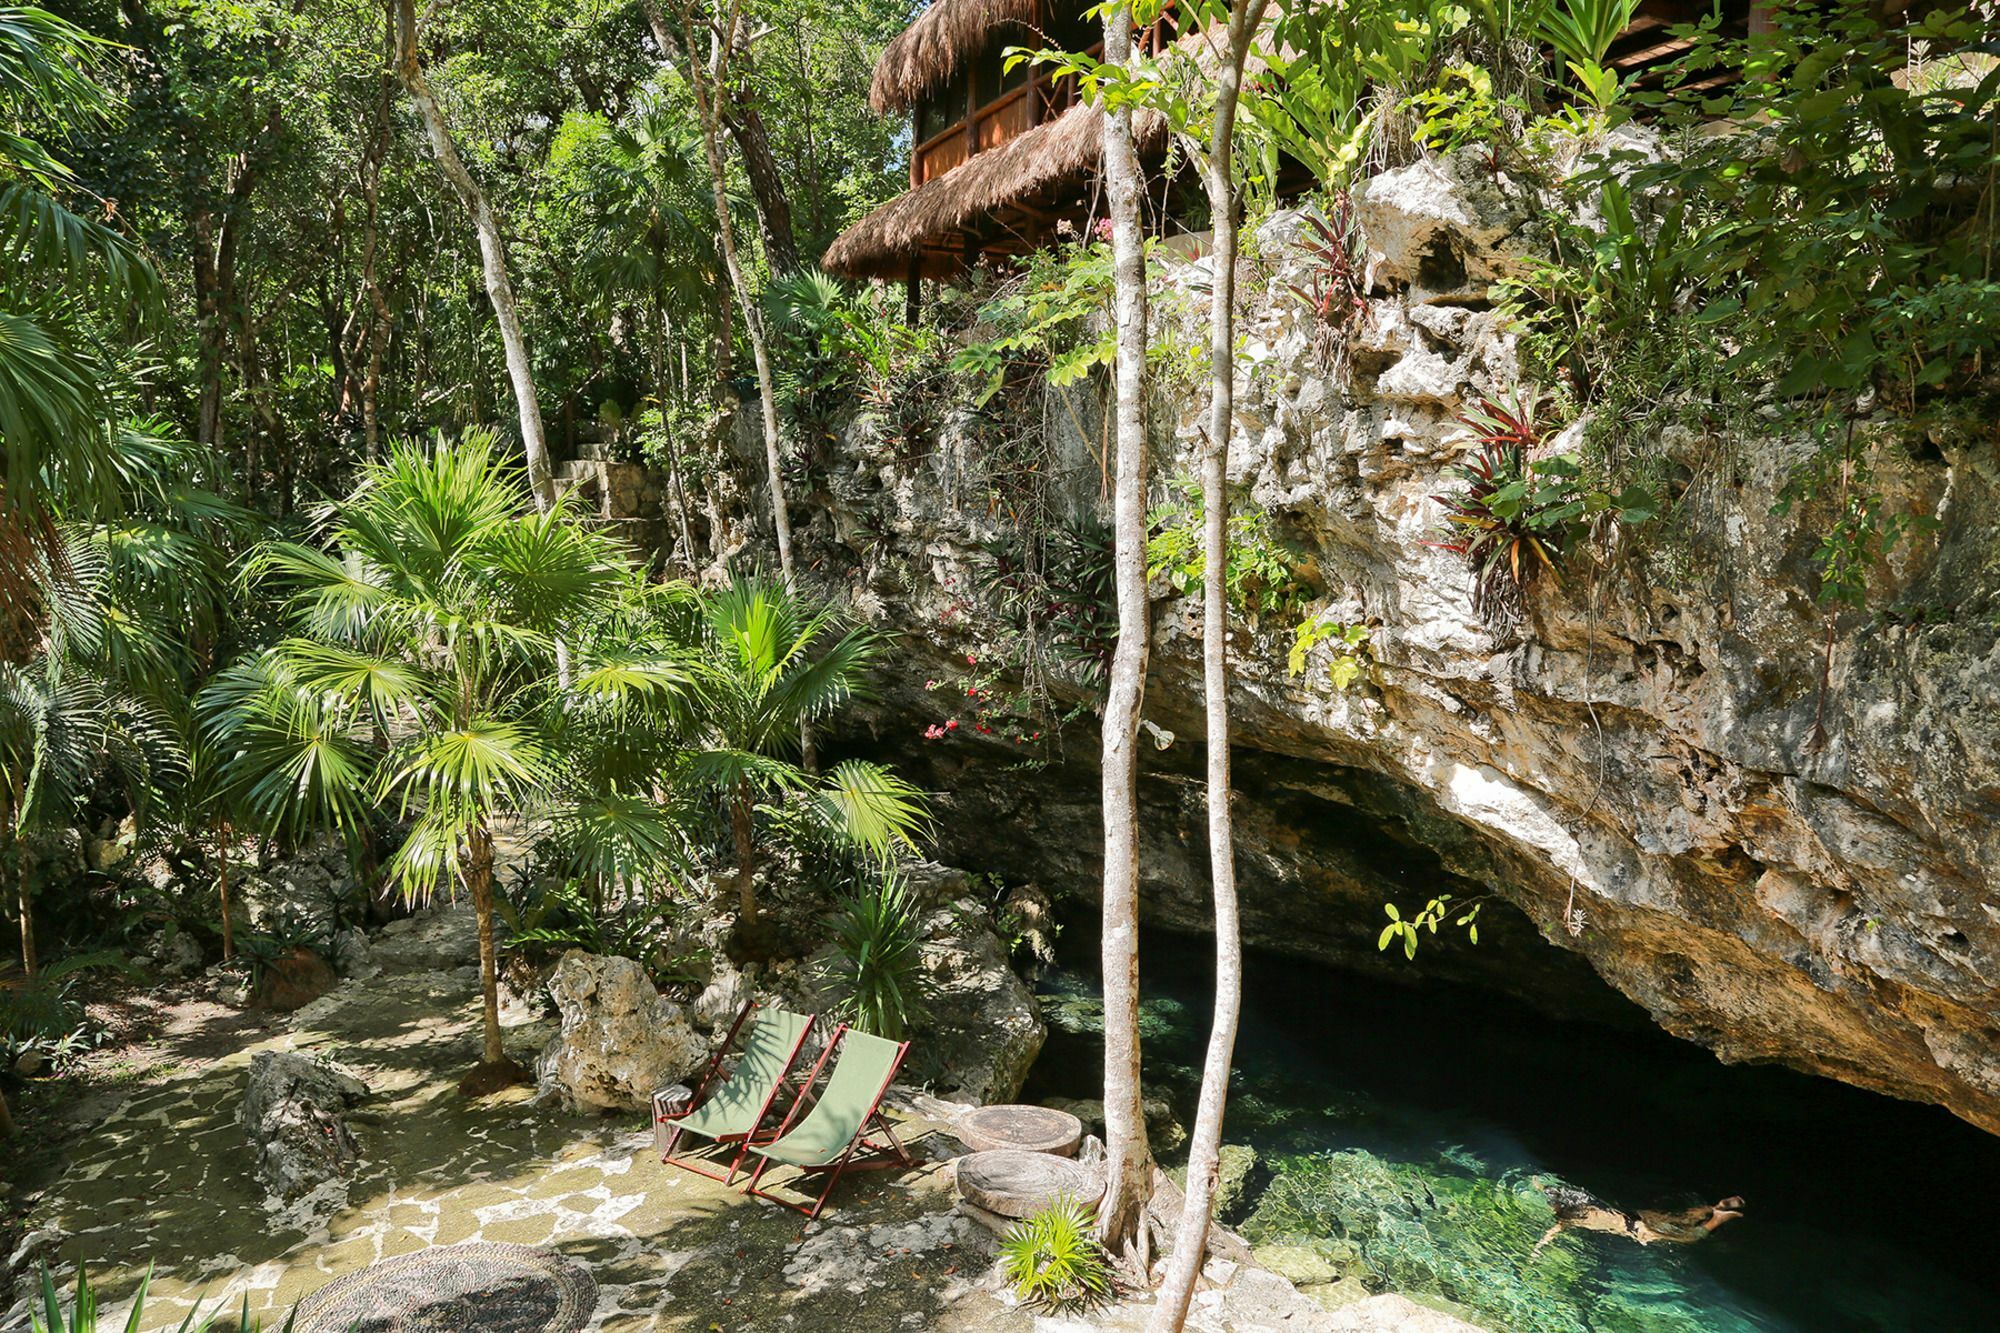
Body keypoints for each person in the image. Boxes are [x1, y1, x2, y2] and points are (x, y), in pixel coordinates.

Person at [1532, 1183, 1744, 1253]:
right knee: (1679, 1219)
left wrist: (1537, 1249)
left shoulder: (1566, 1219)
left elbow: (1550, 1234)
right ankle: (1713, 1207)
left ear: (1557, 1207)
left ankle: (1718, 1217)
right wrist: (1539, 1185)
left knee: (1689, 1238)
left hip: (1637, 1231)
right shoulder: (1585, 1204)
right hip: (1635, 1215)